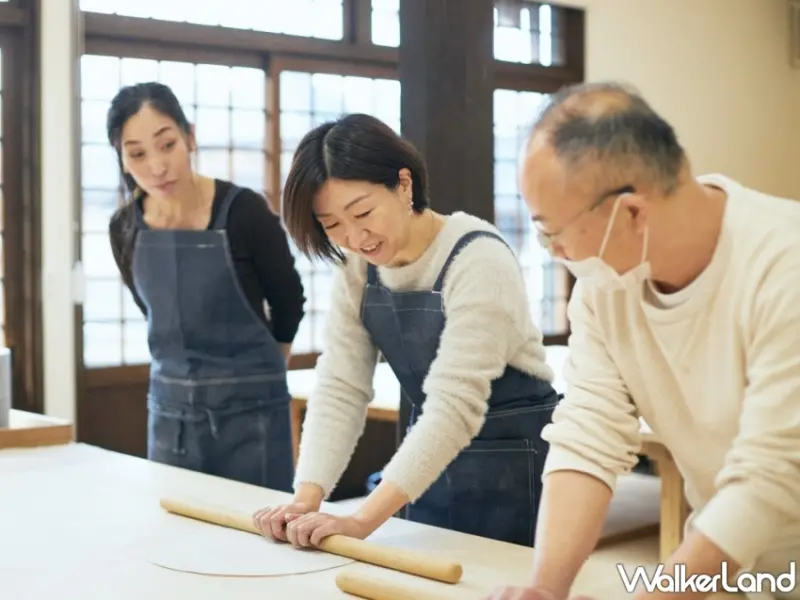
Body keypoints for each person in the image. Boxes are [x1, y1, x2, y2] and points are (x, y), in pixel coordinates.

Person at [486, 82, 800, 600]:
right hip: (738, 570)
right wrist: (544, 589)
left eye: (551, 232)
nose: (552, 250)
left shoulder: (782, 264)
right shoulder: (605, 287)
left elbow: (770, 479)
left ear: (631, 212)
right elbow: (589, 434)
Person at [252, 113, 561, 548]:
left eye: (362, 212)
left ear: (403, 184)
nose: (356, 237)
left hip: (517, 468)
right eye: (332, 225)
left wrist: (361, 520)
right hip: (426, 467)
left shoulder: (477, 257)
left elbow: (455, 405)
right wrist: (307, 498)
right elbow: (341, 386)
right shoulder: (358, 271)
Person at [106, 82, 305, 492]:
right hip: (171, 416)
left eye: (167, 145)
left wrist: (266, 368)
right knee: (175, 539)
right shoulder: (124, 227)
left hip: (254, 415)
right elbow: (152, 312)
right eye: (137, 153)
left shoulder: (243, 211)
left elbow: (288, 299)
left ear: (189, 137)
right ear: (123, 160)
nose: (157, 166)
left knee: (257, 542)